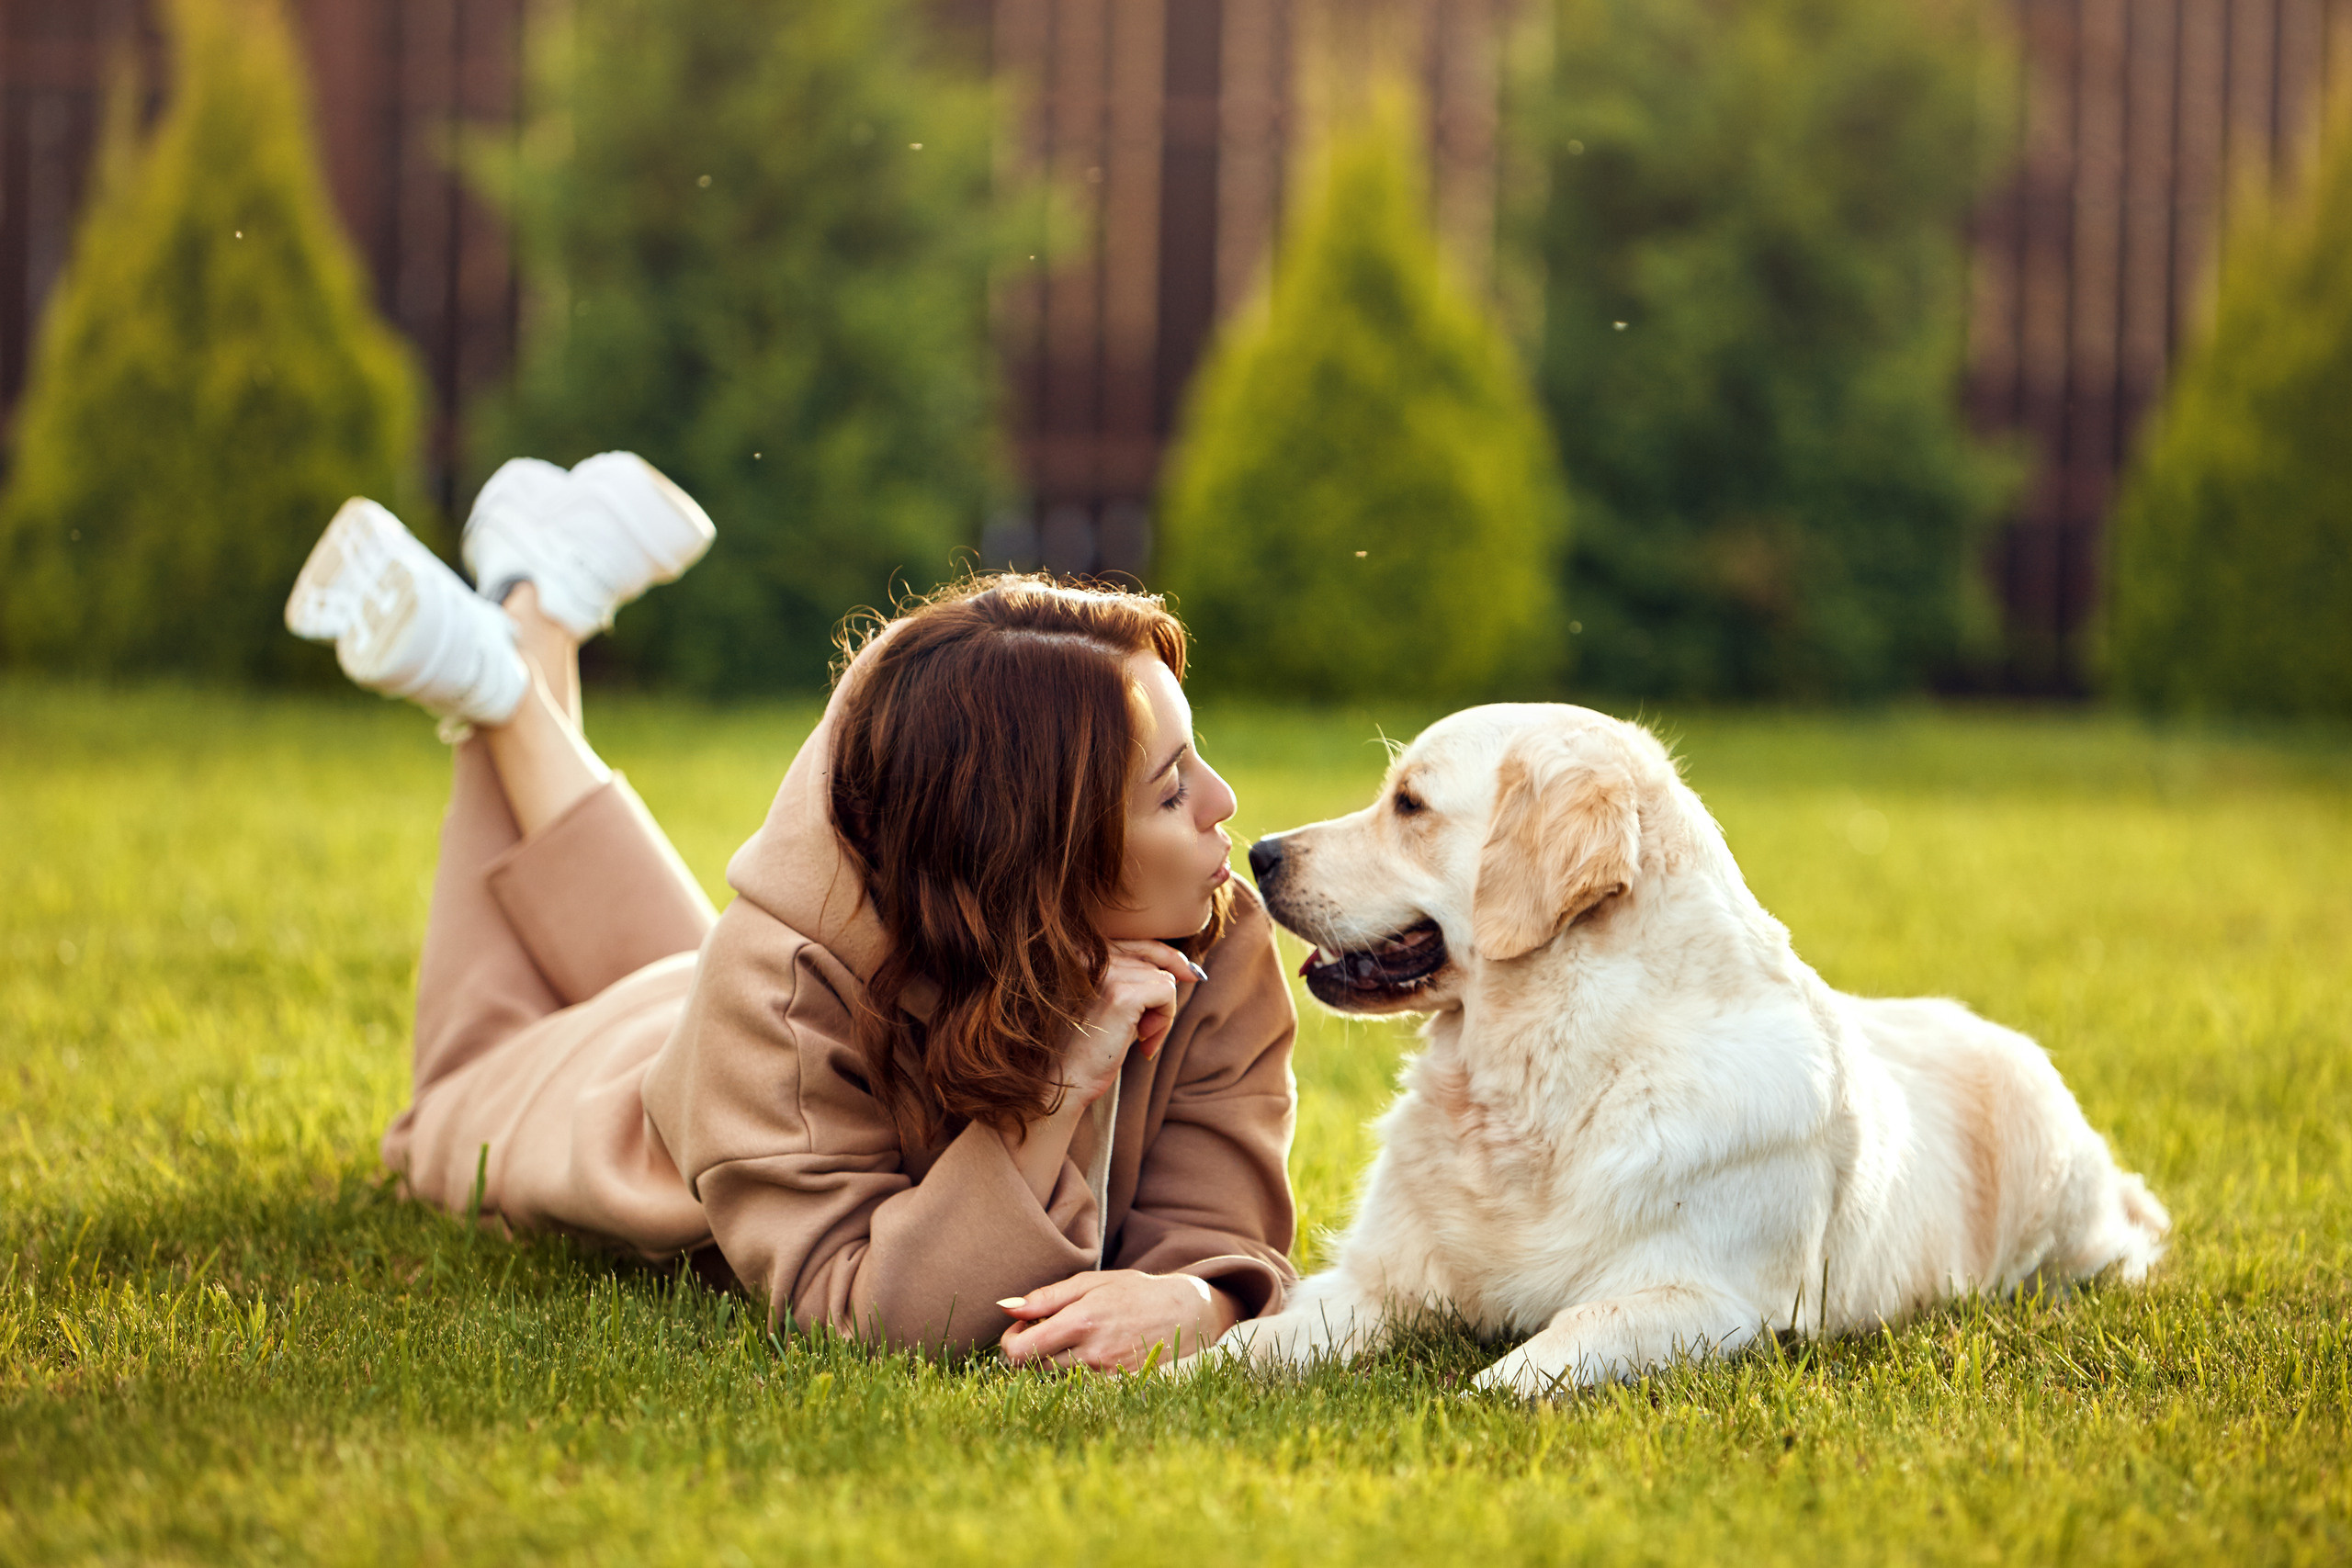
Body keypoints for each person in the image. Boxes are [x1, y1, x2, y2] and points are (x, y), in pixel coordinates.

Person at [283, 457, 1299, 1371]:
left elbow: (1224, 1227)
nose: (1224, 805)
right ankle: (499, 676)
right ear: (1035, 850)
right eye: (1170, 790)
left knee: (714, 968)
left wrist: (1197, 1302)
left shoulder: (1211, 932)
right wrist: (1060, 1085)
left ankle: (522, 627)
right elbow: (872, 1314)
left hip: (711, 1001)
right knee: (444, 1101)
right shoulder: (776, 999)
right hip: (608, 1094)